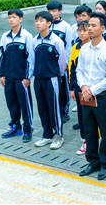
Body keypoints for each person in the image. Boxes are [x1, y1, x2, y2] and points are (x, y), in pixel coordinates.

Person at [77, 13, 106, 180]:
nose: (90, 29)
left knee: (105, 131)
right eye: (88, 26)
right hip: (86, 96)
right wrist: (84, 86)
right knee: (89, 130)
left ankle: (104, 164)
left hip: (102, 96)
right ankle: (92, 161)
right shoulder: (84, 48)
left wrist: (92, 90)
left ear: (102, 28)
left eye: (93, 26)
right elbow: (79, 70)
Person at [0, 8, 35, 143]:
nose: (11, 20)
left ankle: (28, 129)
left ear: (20, 19)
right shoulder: (5, 37)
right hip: (8, 77)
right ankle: (15, 127)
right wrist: (1, 74)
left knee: (25, 104)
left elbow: (31, 57)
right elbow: (1, 56)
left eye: (14, 17)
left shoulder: (27, 36)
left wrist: (27, 77)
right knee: (11, 103)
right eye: (9, 17)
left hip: (21, 78)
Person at [32, 11, 68, 150]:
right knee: (42, 107)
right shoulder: (35, 40)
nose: (38, 23)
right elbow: (33, 60)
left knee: (54, 108)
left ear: (49, 23)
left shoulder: (56, 40)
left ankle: (58, 135)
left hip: (52, 79)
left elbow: (62, 61)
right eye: (36, 21)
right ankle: (47, 134)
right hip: (38, 79)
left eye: (41, 21)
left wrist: (57, 75)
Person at [46, 0, 72, 123]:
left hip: (62, 63)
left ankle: (64, 111)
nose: (51, 13)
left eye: (54, 11)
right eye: (49, 11)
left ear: (60, 11)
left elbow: (69, 46)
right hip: (49, 64)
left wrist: (67, 62)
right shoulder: (47, 25)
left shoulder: (66, 26)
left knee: (63, 88)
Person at [69, 20, 90, 155]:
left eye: (85, 30)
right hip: (79, 87)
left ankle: (94, 139)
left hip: (92, 88)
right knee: (82, 115)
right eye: (79, 30)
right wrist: (72, 87)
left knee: (92, 115)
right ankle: (85, 140)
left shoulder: (94, 47)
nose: (81, 33)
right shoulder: (75, 47)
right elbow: (72, 68)